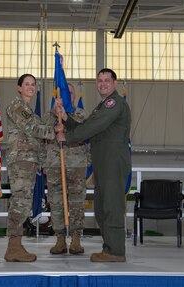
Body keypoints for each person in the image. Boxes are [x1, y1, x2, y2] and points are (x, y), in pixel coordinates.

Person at [55, 68, 131, 262]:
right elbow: (86, 126)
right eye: (99, 80)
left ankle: (115, 251)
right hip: (103, 163)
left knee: (111, 207)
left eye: (107, 80)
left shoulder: (114, 103)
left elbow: (92, 128)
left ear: (115, 83)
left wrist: (67, 137)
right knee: (101, 208)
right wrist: (66, 118)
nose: (102, 83)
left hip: (113, 162)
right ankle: (109, 248)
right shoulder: (103, 106)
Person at [4, 74, 57, 262]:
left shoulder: (31, 112)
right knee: (20, 202)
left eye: (33, 84)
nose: (30, 87)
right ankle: (13, 247)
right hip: (20, 160)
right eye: (26, 84)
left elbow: (38, 137)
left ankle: (16, 245)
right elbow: (33, 129)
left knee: (24, 202)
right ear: (19, 88)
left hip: (29, 161)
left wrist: (41, 161)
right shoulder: (16, 106)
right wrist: (55, 132)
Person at [43, 83, 89, 255]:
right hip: (55, 165)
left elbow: (88, 136)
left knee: (77, 203)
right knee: (56, 203)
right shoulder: (49, 116)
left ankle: (76, 239)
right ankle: (60, 239)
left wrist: (87, 161)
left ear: (74, 96)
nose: (67, 96)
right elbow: (42, 138)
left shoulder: (81, 114)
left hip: (77, 166)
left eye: (70, 93)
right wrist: (44, 162)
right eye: (64, 93)